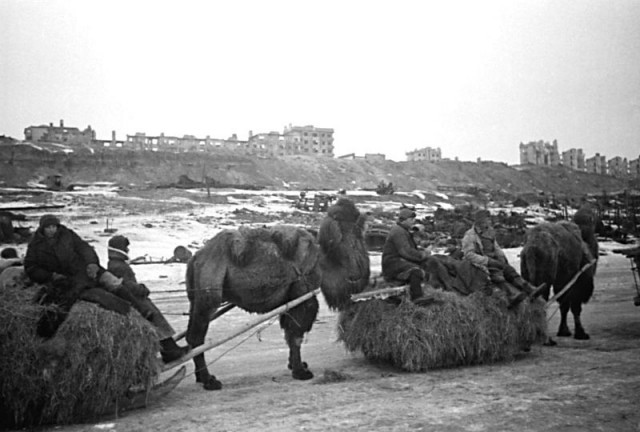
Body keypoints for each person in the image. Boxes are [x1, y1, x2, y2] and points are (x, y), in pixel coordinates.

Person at [24, 214, 130, 336]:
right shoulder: (35, 245)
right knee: (65, 300)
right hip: (61, 278)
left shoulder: (67, 235)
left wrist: (92, 263)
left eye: (54, 226)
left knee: (113, 283)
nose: (52, 230)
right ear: (42, 228)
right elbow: (31, 267)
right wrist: (50, 276)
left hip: (82, 269)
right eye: (48, 227)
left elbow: (84, 248)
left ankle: (140, 312)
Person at [107, 235, 189, 363]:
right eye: (126, 247)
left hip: (132, 299)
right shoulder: (119, 266)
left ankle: (170, 348)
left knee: (157, 321)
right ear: (120, 249)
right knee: (157, 321)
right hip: (136, 300)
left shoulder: (115, 263)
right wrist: (142, 289)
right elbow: (128, 285)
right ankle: (171, 351)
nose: (128, 250)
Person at [461, 209, 544, 308]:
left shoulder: (489, 232)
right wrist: (488, 261)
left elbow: (496, 248)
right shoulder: (470, 236)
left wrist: (502, 259)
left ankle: (529, 288)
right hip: (480, 264)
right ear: (480, 221)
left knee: (509, 270)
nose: (489, 221)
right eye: (487, 219)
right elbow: (469, 255)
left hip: (493, 260)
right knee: (496, 275)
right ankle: (511, 294)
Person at [382, 208, 432, 304]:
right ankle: (417, 297)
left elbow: (410, 249)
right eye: (411, 219)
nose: (413, 221)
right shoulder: (398, 231)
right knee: (415, 271)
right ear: (404, 220)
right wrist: (423, 254)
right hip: (392, 262)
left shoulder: (403, 230)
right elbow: (406, 251)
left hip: (398, 260)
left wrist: (422, 252)